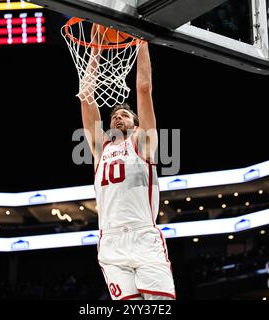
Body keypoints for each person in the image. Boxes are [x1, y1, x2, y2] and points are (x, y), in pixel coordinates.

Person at [78, 26, 176, 300]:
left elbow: (144, 89)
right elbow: (87, 100)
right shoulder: (100, 149)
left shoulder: (142, 143)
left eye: (124, 115)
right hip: (110, 240)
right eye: (114, 116)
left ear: (136, 124)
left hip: (143, 236)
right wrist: (95, 49)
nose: (117, 118)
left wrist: (141, 40)